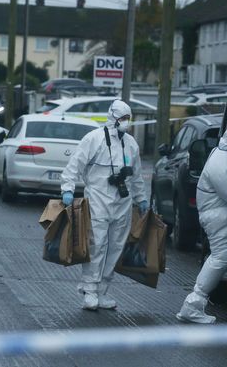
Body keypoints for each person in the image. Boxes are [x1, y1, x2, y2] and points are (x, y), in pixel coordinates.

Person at [61, 99, 148, 311]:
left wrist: (141, 198)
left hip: (122, 202)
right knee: (96, 244)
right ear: (112, 118)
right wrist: (67, 189)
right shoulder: (94, 139)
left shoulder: (131, 144)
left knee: (116, 247)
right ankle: (89, 290)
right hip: (98, 199)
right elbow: (75, 165)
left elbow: (136, 176)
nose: (125, 122)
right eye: (122, 119)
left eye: (128, 119)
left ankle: (103, 291)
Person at [176, 117, 227, 323]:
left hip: (218, 214)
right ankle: (193, 304)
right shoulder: (222, 162)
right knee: (220, 257)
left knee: (220, 256)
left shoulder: (224, 155)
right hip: (218, 216)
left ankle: (194, 303)